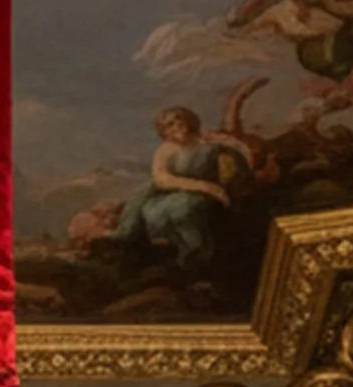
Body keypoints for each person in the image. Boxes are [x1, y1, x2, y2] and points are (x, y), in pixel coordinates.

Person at [103, 106, 252, 276]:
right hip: (186, 189)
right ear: (164, 132)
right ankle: (128, 236)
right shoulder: (166, 149)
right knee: (147, 199)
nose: (176, 127)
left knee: (180, 207)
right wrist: (203, 186)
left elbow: (241, 149)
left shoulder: (207, 142)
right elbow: (161, 179)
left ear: (189, 121)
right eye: (169, 125)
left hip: (203, 194)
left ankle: (194, 256)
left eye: (178, 121)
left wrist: (238, 171)